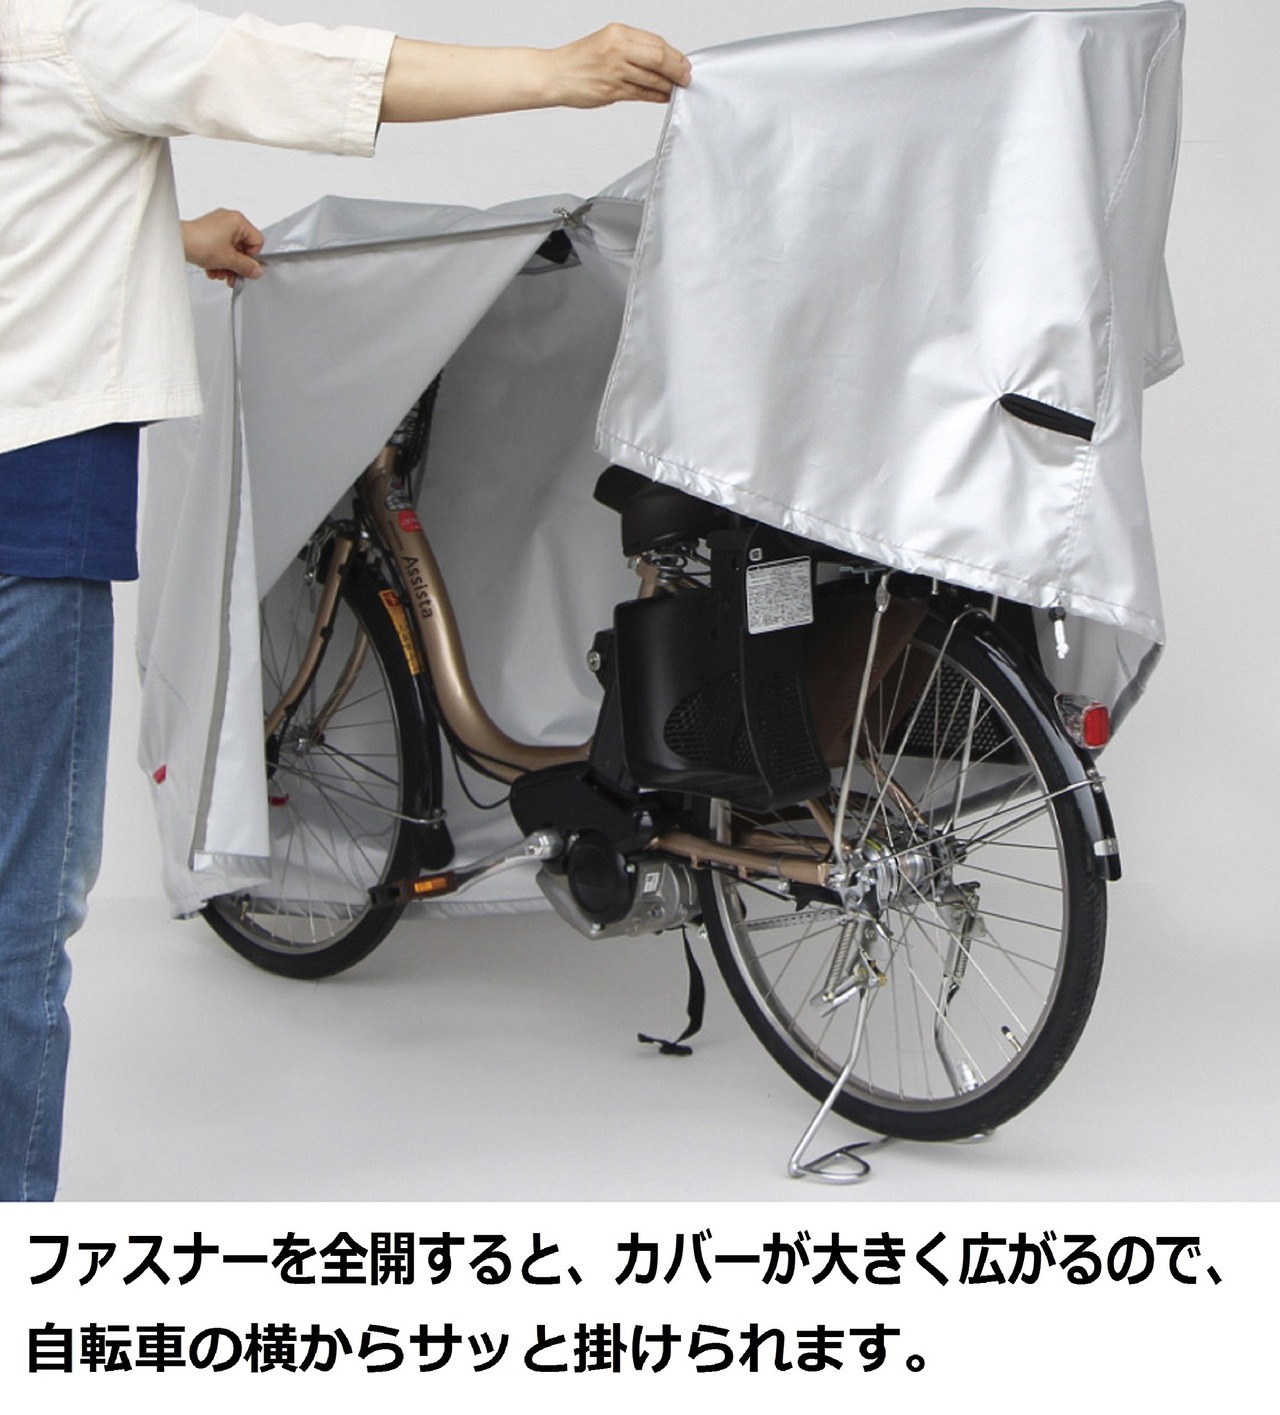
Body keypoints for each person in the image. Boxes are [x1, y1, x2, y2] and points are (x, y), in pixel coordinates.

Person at [0, 0, 690, 1201]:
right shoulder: (73, 21)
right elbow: (284, 71)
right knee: (22, 909)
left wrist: (168, 237)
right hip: (27, 502)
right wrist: (557, 71)